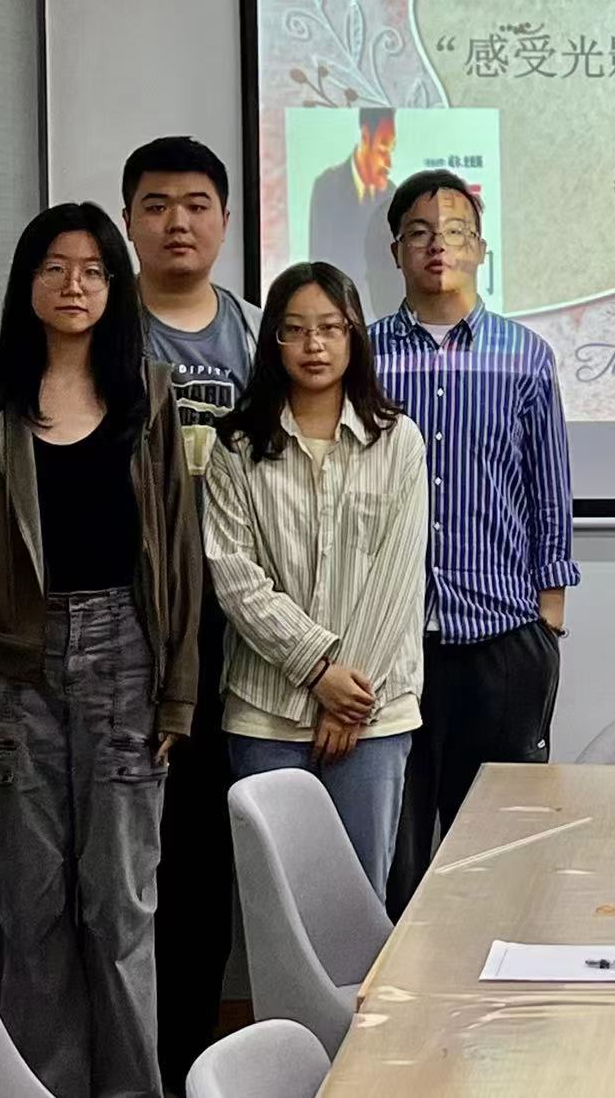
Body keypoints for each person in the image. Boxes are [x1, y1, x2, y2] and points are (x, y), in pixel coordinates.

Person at [0, 203, 201, 1098]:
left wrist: (177, 688)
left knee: (120, 905)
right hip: (14, 664)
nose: (73, 285)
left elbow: (178, 551)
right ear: (28, 282)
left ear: (114, 285)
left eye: (92, 270)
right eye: (54, 267)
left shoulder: (147, 391)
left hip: (125, 654)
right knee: (31, 907)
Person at [373, 169, 579, 918]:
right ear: (397, 251)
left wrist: (547, 618)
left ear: (481, 249)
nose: (439, 247)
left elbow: (548, 484)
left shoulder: (524, 354)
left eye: (456, 232)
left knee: (498, 855)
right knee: (393, 857)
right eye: (420, 233)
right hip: (390, 645)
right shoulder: (362, 354)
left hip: (500, 635)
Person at [205, 262, 426, 898]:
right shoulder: (236, 446)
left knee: (357, 901)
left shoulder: (397, 441)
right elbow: (234, 576)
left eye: (330, 328)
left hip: (374, 714)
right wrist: (318, 672)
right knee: (274, 904)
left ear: (354, 335)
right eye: (295, 330)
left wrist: (349, 696)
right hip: (266, 714)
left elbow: (397, 577)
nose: (314, 345)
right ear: (273, 341)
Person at [120, 135, 257, 1088]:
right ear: (128, 221)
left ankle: (193, 1058)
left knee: (208, 853)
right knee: (132, 857)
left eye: (197, 204)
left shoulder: (257, 334)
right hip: (129, 627)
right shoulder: (100, 331)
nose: (178, 222)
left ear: (224, 220)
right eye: (158, 204)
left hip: (236, 629)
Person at [309, 107, 401, 318]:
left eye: (391, 151)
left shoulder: (392, 193)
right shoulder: (327, 186)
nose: (389, 163)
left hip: (382, 317)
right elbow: (318, 263)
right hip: (337, 315)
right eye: (383, 150)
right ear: (366, 137)